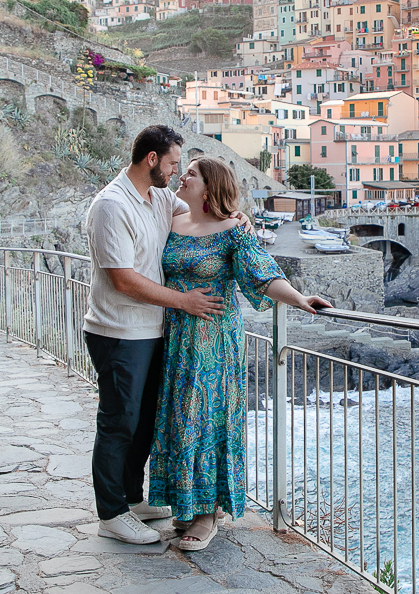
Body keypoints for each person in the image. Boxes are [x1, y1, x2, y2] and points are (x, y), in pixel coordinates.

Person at [149, 157, 329, 551]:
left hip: (215, 343)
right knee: (180, 417)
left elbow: (263, 275)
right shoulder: (171, 221)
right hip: (177, 337)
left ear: (210, 187)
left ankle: (207, 514)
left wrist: (299, 299)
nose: (183, 176)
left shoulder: (234, 231)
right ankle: (185, 502)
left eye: (191, 173)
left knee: (209, 420)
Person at [82, 125, 250, 545]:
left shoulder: (157, 198)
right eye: (174, 163)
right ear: (152, 160)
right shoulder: (111, 206)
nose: (178, 173)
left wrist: (236, 217)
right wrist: (184, 301)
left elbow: (203, 210)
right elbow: (123, 279)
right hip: (119, 330)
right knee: (118, 423)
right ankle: (111, 513)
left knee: (144, 424)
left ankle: (132, 498)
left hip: (154, 330)